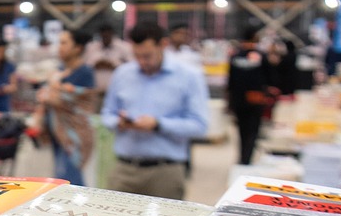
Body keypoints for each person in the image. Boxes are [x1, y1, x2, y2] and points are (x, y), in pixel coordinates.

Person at [101, 22, 209, 201]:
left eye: (148, 56)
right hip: (124, 170)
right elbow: (107, 114)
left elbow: (199, 125)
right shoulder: (122, 74)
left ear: (163, 45)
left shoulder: (189, 76)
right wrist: (119, 122)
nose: (142, 62)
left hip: (165, 172)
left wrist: (158, 124)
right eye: (137, 56)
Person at [34, 28, 97, 185]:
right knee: (62, 181)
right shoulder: (61, 71)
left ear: (78, 48)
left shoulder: (84, 72)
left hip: (74, 138)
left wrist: (51, 93)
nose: (59, 47)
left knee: (70, 183)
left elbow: (68, 99)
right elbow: (48, 95)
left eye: (64, 43)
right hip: (58, 135)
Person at [227, 25, 274, 166]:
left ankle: (242, 157)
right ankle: (247, 158)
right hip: (255, 100)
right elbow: (270, 77)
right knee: (252, 131)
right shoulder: (261, 56)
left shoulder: (235, 56)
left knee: (242, 131)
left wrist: (230, 102)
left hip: (238, 100)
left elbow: (230, 80)